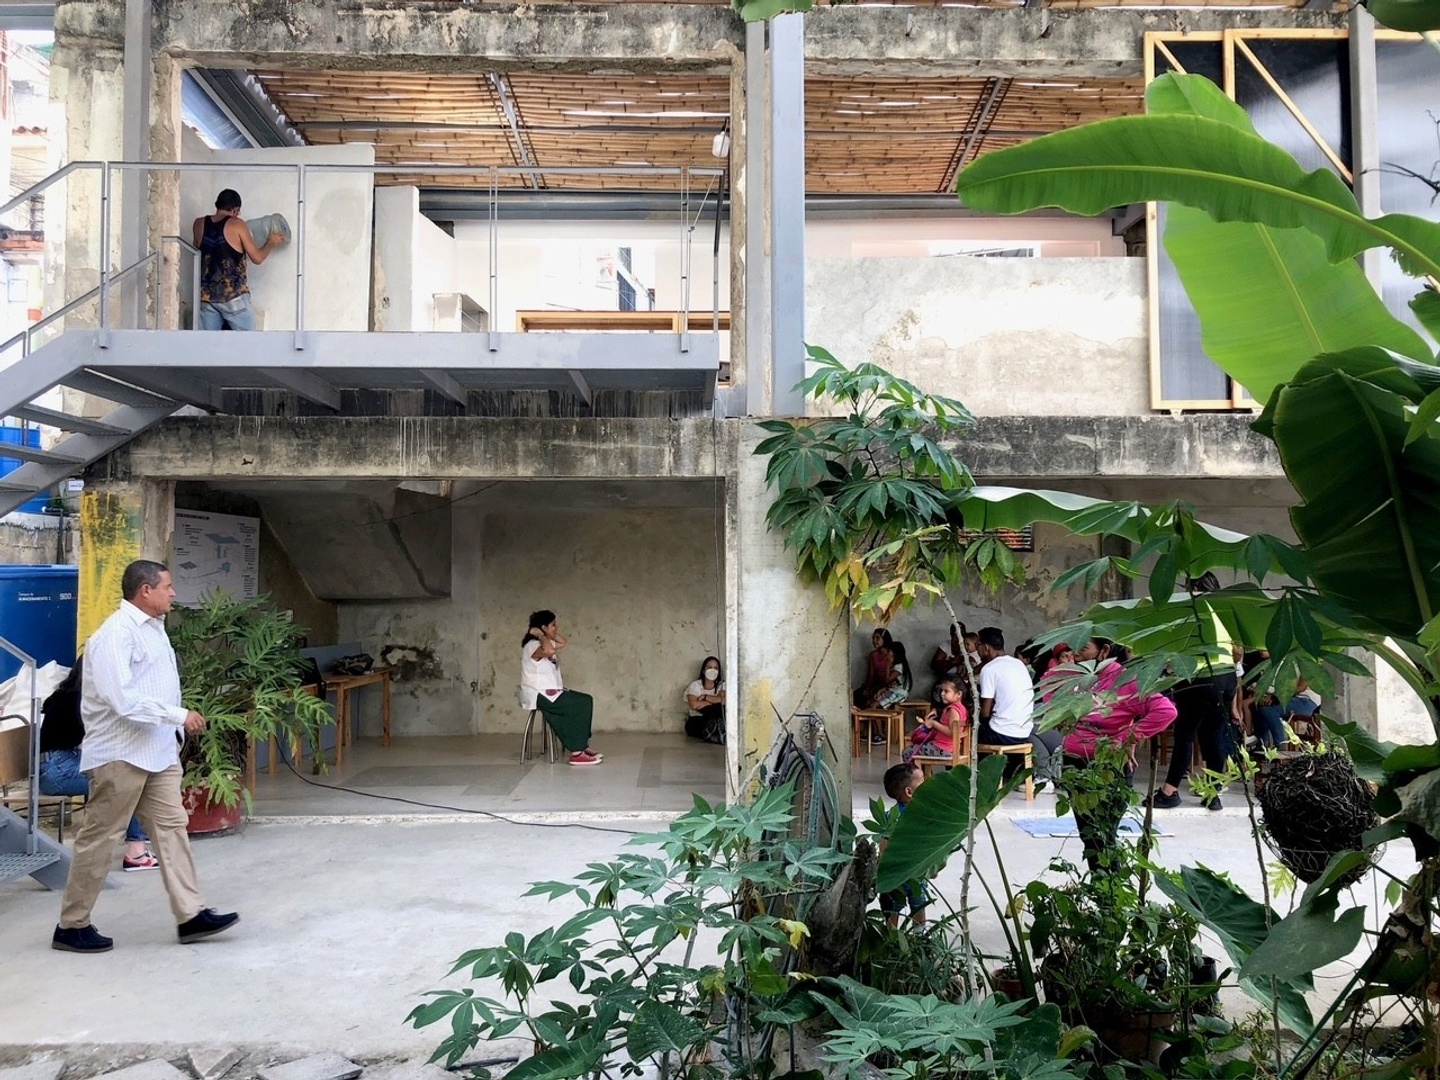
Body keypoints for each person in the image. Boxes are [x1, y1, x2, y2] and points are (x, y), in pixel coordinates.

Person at [52, 559, 240, 953]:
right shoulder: (115, 636)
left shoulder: (155, 630)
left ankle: (191, 915)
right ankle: (72, 925)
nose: (173, 593)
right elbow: (123, 701)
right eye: (168, 586)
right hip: (121, 754)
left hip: (156, 751)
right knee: (101, 837)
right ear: (145, 591)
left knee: (172, 829)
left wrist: (170, 729)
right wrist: (179, 716)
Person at [1060, 637, 1178, 871]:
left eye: (1083, 648)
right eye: (1075, 648)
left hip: (1105, 768)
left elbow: (1165, 711)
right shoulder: (1081, 679)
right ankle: (1102, 896)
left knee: (1102, 838)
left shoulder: (1124, 680)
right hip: (1075, 765)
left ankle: (1109, 901)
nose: (1076, 654)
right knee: (1089, 838)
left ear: (1103, 651)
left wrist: (1126, 738)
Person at [38, 656, 156, 872]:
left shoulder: (62, 696)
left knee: (128, 778)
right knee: (134, 781)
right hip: (60, 770)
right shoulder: (85, 701)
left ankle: (131, 848)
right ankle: (136, 853)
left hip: (52, 767)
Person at [1148, 574, 1236, 812]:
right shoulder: (1223, 610)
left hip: (1198, 679)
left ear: (1194, 587)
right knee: (1214, 736)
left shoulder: (1191, 610)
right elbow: (1237, 649)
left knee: (1185, 735)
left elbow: (1175, 647)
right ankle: (1213, 794)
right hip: (1227, 677)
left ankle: (1169, 791)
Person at [192, 188, 287, 331]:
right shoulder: (237, 224)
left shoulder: (198, 224)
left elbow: (199, 250)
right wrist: (270, 243)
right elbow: (257, 258)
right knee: (247, 345)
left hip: (207, 297)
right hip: (233, 296)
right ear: (235, 209)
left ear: (217, 204)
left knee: (208, 347)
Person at [521, 610, 602, 766]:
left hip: (549, 692)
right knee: (581, 703)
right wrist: (540, 635)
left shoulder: (543, 643)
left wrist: (545, 633)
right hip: (538, 694)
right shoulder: (532, 645)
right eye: (553, 625)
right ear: (544, 627)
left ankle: (582, 746)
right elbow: (549, 651)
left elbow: (562, 642)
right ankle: (577, 752)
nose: (556, 627)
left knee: (585, 700)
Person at [877, 761, 929, 928]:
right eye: (922, 780)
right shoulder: (923, 818)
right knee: (919, 908)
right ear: (909, 792)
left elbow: (883, 846)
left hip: (893, 875)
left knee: (892, 911)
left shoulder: (888, 816)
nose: (927, 782)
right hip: (917, 873)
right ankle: (920, 943)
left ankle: (891, 943)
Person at [976, 627, 1035, 756]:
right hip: (1024, 731)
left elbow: (985, 713)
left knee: (966, 738)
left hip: (1002, 733)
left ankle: (980, 775)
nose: (977, 649)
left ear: (986, 647)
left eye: (978, 645)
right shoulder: (1019, 664)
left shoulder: (989, 669)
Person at [904, 677, 966, 764]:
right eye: (942, 691)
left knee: (908, 752)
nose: (942, 694)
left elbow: (952, 732)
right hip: (948, 747)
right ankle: (924, 776)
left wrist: (933, 723)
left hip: (943, 748)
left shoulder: (953, 710)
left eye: (946, 691)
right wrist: (937, 711)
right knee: (917, 748)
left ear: (959, 694)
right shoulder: (960, 708)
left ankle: (917, 777)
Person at [684, 656, 725, 745]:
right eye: (709, 668)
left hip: (717, 716)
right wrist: (715, 700)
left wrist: (705, 697)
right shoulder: (696, 685)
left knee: (720, 710)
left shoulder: (722, 685)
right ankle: (714, 734)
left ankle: (717, 734)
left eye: (715, 668)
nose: (712, 670)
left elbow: (725, 701)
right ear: (703, 670)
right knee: (696, 725)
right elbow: (694, 705)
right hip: (698, 719)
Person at [856, 628, 894, 709]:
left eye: (877, 638)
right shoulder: (873, 655)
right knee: (856, 696)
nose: (874, 641)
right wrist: (868, 687)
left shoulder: (891, 654)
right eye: (873, 638)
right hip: (876, 684)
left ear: (885, 639)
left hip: (888, 685)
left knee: (872, 700)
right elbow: (871, 674)